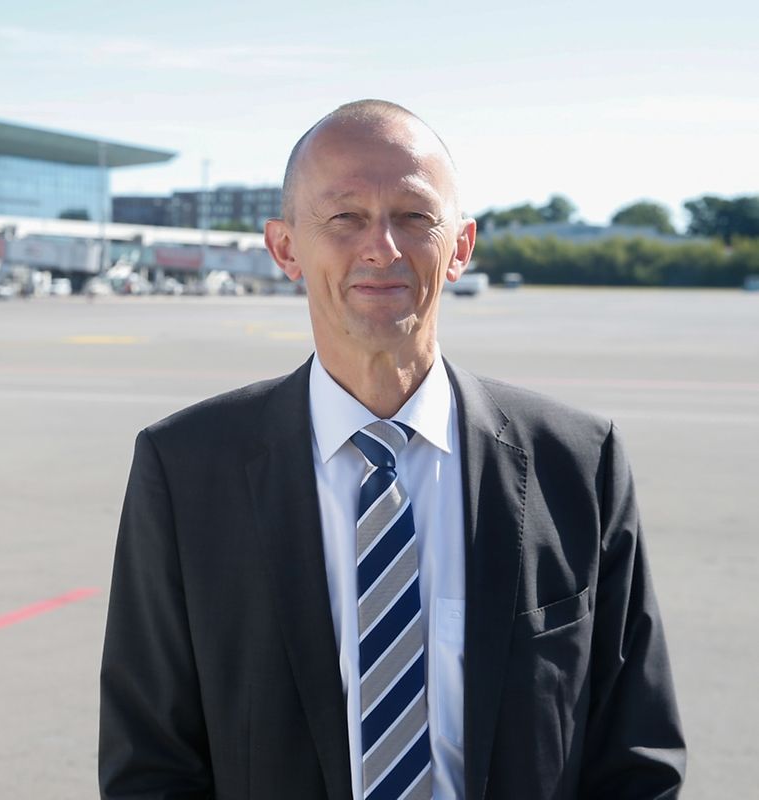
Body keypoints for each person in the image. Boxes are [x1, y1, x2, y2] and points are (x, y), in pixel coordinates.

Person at [99, 100, 685, 800]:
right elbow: (150, 764)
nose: (382, 247)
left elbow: (636, 756)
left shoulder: (579, 464)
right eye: (344, 217)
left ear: (461, 247)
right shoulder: (186, 469)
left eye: (414, 216)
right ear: (285, 247)